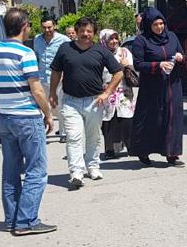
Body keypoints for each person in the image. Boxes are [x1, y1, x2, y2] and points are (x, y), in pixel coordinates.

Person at [0, 8, 56, 235]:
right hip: (27, 117)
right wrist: (48, 113)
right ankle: (26, 221)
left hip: (5, 116)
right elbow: (36, 89)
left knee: (11, 169)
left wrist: (4, 99)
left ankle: (12, 219)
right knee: (36, 170)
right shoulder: (25, 53)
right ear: (24, 26)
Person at [49, 17, 123, 189]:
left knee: (93, 137)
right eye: (82, 31)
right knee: (74, 137)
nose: (85, 34)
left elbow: (118, 72)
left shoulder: (101, 51)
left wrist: (107, 92)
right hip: (70, 101)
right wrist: (52, 93)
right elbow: (56, 72)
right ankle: (76, 172)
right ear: (76, 31)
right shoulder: (65, 48)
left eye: (89, 31)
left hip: (94, 101)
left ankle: (93, 166)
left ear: (94, 33)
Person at [130, 7, 186, 167]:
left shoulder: (172, 37)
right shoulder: (141, 41)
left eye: (161, 23)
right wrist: (158, 65)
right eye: (155, 24)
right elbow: (138, 64)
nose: (160, 27)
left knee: (173, 118)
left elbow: (181, 54)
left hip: (172, 86)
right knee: (152, 119)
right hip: (152, 88)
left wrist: (181, 58)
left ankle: (172, 154)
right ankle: (143, 151)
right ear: (148, 25)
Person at [99, 29, 136, 159]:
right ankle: (110, 149)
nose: (114, 41)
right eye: (110, 39)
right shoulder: (100, 53)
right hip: (107, 92)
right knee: (108, 123)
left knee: (126, 121)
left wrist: (126, 66)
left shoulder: (125, 52)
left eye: (115, 38)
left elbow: (131, 71)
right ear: (104, 40)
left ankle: (131, 146)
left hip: (124, 92)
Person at [34, 17, 68, 141]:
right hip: (42, 78)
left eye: (49, 27)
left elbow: (68, 58)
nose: (47, 30)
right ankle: (41, 133)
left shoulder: (63, 40)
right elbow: (37, 57)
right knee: (43, 106)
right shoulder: (37, 39)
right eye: (44, 27)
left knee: (59, 107)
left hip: (59, 79)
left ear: (55, 26)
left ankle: (63, 133)